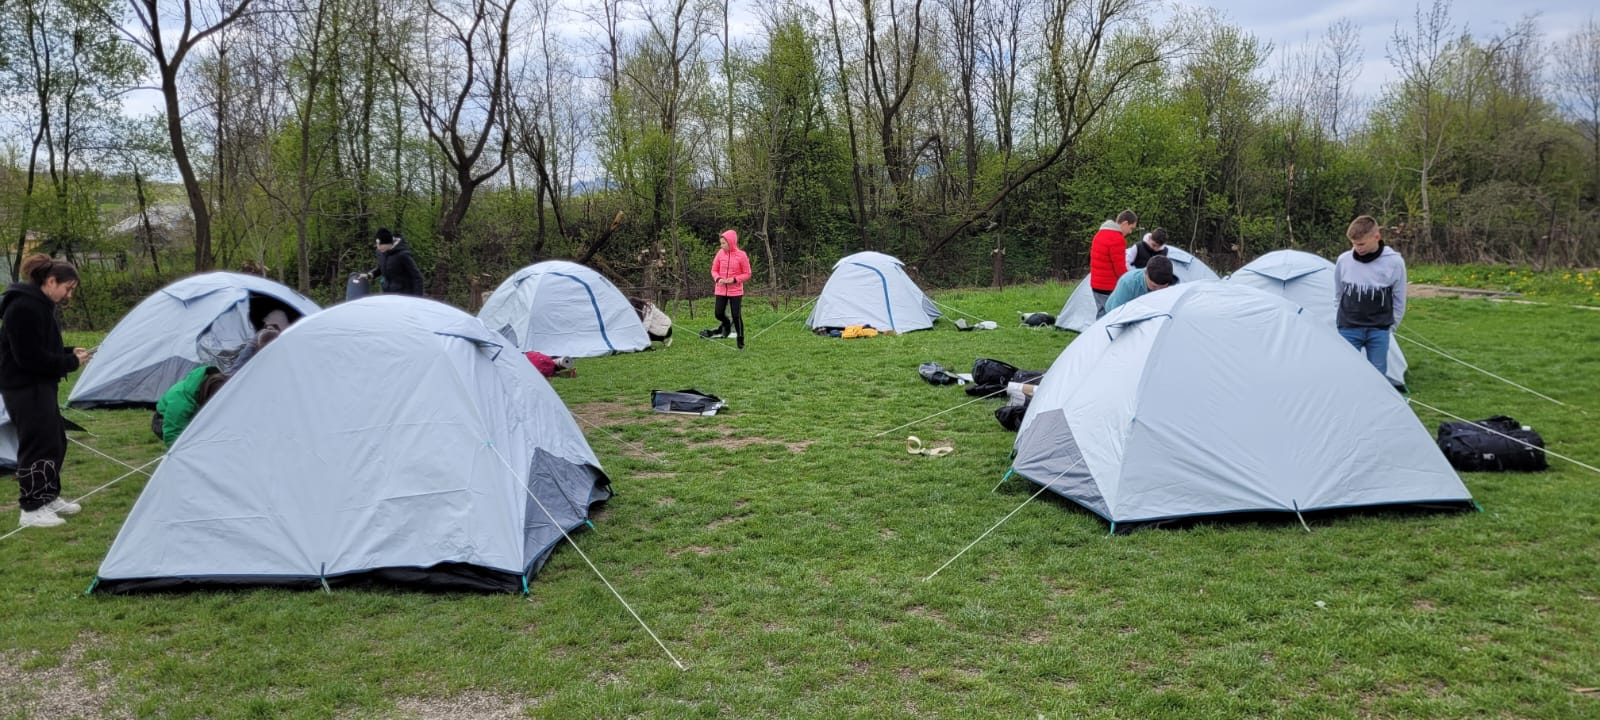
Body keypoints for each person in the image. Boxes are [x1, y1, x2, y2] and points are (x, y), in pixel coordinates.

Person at [0, 255, 91, 528]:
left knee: (54, 441)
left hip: (40, 385)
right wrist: (70, 363)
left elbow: (42, 348)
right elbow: (29, 359)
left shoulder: (40, 306)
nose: (69, 294)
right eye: (68, 288)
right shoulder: (23, 308)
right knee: (36, 445)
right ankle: (31, 508)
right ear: (51, 281)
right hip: (24, 387)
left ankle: (48, 496)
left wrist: (68, 352)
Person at [153, 327, 280, 447]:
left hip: (193, 411)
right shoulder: (181, 404)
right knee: (191, 443)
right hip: (162, 422)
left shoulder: (218, 380)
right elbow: (172, 435)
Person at [1335, 215, 1406, 383]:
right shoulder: (1344, 261)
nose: (1357, 248)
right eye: (1353, 244)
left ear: (1376, 237)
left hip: (1378, 330)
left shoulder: (1394, 262)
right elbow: (1339, 293)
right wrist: (1341, 321)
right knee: (1346, 373)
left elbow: (1399, 298)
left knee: (1377, 377)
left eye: (1361, 244)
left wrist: (1390, 326)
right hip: (1348, 328)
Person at [706, 229, 751, 349]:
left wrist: (734, 279)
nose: (721, 246)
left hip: (735, 291)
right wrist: (718, 278)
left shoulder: (742, 255)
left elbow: (747, 273)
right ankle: (726, 325)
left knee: (736, 315)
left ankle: (740, 339)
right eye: (721, 243)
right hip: (720, 289)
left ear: (731, 242)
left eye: (723, 243)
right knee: (718, 313)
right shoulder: (720, 253)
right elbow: (714, 270)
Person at [1089, 210, 1137, 318]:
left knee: (1101, 313)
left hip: (1096, 284)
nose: (1130, 232)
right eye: (1131, 228)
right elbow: (1119, 268)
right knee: (1110, 316)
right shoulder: (1117, 239)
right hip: (1108, 286)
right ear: (1125, 223)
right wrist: (1128, 281)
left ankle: (1097, 334)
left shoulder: (1099, 234)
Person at [1104, 255, 1179, 313]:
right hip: (1115, 312)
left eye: (1162, 287)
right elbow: (1115, 314)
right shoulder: (1128, 282)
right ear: (1145, 273)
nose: (1157, 291)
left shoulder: (1175, 286)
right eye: (1154, 286)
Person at [362, 228, 425, 296]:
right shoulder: (380, 252)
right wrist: (370, 275)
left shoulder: (403, 255)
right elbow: (381, 268)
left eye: (380, 244)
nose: (378, 247)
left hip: (403, 295)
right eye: (377, 244)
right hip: (387, 293)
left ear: (388, 243)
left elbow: (417, 278)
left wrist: (417, 299)